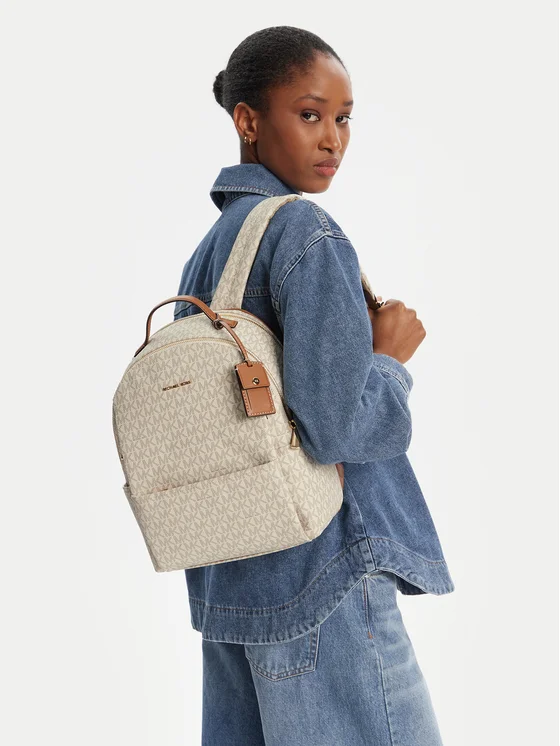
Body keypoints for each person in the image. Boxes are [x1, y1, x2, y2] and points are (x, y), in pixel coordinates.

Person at [174, 25, 455, 746]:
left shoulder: (209, 256)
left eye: (344, 118)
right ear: (247, 120)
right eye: (309, 114)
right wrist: (389, 359)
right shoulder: (306, 234)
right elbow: (335, 428)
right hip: (320, 579)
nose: (332, 139)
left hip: (232, 586)